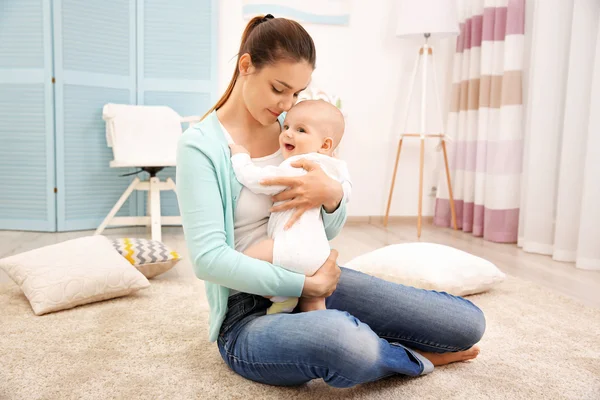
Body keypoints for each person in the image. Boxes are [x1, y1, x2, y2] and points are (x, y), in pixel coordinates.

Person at [176, 13, 485, 388]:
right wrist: (305, 287)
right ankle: (406, 357)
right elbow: (209, 261)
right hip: (247, 315)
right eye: (279, 88)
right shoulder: (201, 146)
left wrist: (333, 197)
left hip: (313, 271)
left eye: (296, 93)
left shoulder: (296, 130)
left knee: (466, 324)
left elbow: (327, 230)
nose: (286, 104)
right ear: (246, 66)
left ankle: (371, 343)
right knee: (344, 343)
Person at [228, 99, 351, 315]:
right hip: (319, 253)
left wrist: (240, 157)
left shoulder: (298, 166)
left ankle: (283, 296)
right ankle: (321, 322)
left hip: (292, 248)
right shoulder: (334, 169)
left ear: (324, 145)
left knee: (243, 264)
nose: (288, 133)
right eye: (286, 127)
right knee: (314, 307)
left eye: (300, 130)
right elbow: (345, 190)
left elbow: (258, 180)